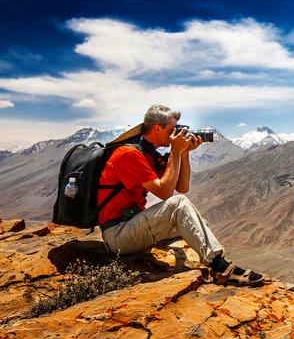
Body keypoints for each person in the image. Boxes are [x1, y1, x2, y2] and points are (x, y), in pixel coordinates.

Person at [97, 104, 263, 286]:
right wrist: (175, 151)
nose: (176, 134)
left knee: (195, 223)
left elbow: (182, 187)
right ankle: (220, 267)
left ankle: (209, 264)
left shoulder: (148, 154)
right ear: (157, 128)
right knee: (179, 205)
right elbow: (165, 193)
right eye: (172, 130)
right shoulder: (128, 154)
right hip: (118, 235)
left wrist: (183, 154)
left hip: (132, 225)